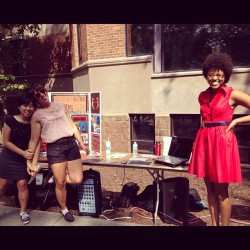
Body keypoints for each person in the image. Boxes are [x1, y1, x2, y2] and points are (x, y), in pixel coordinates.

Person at [188, 52, 250, 226]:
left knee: (222, 190)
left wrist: (237, 120)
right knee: (210, 189)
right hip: (205, 142)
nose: (215, 78)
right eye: (211, 74)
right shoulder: (202, 96)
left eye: (219, 75)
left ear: (225, 75)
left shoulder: (232, 94)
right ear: (206, 74)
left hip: (223, 142)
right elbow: (203, 120)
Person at [26, 83, 90, 222]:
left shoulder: (61, 106)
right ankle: (64, 209)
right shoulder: (36, 116)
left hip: (71, 145)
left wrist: (82, 143)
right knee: (61, 184)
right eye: (38, 94)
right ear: (35, 99)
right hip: (55, 148)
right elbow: (34, 140)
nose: (42, 94)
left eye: (42, 91)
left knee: (77, 179)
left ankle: (55, 177)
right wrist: (30, 160)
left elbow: (72, 126)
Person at [0, 93, 40, 225]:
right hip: (8, 157)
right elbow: (6, 142)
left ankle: (23, 212)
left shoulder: (35, 123)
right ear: (19, 106)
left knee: (22, 185)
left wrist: (33, 162)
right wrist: (23, 153)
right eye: (25, 105)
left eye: (31, 106)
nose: (28, 109)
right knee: (3, 185)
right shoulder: (10, 120)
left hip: (24, 159)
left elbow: (37, 142)